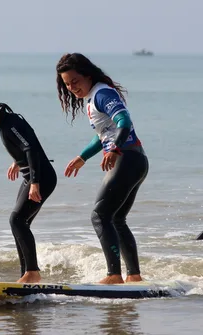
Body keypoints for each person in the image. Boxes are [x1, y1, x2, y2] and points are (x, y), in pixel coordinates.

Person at [56, 53, 149, 284]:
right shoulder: (93, 97)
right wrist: (83, 156)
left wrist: (115, 148)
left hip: (127, 158)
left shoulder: (102, 93)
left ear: (87, 75)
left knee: (100, 215)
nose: (71, 88)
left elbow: (124, 122)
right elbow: (103, 135)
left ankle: (114, 275)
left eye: (75, 81)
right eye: (67, 84)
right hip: (134, 160)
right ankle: (134, 276)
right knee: (116, 219)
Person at [0, 94, 57, 283]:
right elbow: (25, 145)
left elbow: (31, 149)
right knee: (19, 223)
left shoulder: (11, 124)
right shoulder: (6, 123)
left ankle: (32, 272)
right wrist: (17, 161)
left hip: (42, 178)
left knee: (17, 220)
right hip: (33, 177)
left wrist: (34, 182)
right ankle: (26, 274)